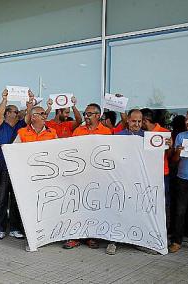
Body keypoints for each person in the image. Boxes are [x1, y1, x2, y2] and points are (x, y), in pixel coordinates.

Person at [64, 103, 111, 250]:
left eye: (89, 114)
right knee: (77, 205)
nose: (86, 116)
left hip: (98, 176)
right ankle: (75, 236)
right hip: (80, 175)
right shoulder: (78, 130)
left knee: (94, 206)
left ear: (98, 115)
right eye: (85, 113)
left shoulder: (106, 132)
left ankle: (92, 236)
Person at [0, 89, 33, 240]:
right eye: (15, 112)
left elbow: (28, 117)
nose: (18, 114)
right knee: (2, 199)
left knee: (16, 200)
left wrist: (29, 103)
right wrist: (4, 99)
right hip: (3, 168)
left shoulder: (21, 127)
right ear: (8, 113)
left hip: (18, 168)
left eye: (18, 112)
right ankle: (1, 229)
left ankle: (15, 228)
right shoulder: (0, 125)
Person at [106, 109, 144, 255]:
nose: (137, 124)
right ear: (127, 120)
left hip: (138, 181)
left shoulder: (147, 137)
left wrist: (165, 145)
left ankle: (136, 240)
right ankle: (113, 240)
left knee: (136, 210)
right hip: (121, 179)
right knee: (117, 209)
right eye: (134, 121)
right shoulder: (118, 136)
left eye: (139, 121)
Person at [168, 109, 188, 253]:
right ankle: (177, 241)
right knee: (180, 211)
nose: (187, 122)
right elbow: (174, 161)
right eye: (186, 119)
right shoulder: (181, 136)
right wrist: (178, 152)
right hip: (182, 179)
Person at [141, 108, 173, 226]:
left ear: (145, 120)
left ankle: (163, 229)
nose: (138, 124)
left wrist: (170, 147)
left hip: (161, 174)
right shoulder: (140, 134)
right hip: (145, 174)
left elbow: (169, 156)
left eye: (140, 120)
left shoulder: (164, 132)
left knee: (163, 203)